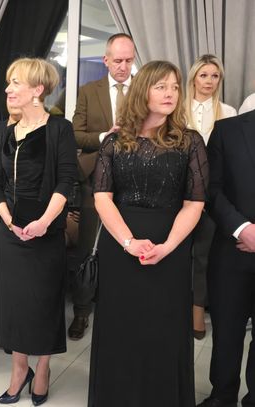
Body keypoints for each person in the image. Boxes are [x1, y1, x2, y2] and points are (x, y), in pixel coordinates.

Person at [89, 60, 208, 407]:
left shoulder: (190, 142)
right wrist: (128, 242)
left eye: (175, 87)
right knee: (120, 327)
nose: (171, 93)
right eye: (161, 86)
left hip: (170, 248)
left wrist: (168, 246)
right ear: (143, 91)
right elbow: (102, 198)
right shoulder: (114, 142)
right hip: (120, 246)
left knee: (164, 329)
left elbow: (194, 203)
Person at [0, 58, 78, 406]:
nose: (8, 89)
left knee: (43, 304)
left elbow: (66, 181)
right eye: (9, 82)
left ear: (38, 90)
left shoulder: (59, 129)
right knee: (13, 305)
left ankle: (42, 368)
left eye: (16, 83)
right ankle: (18, 369)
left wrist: (44, 222)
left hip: (45, 233)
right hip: (10, 232)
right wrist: (7, 218)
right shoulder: (5, 131)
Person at [70, 33, 136, 340]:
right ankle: (81, 311)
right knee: (87, 246)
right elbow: (75, 134)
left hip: (134, 177)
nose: (123, 67)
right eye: (118, 60)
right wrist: (103, 136)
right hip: (94, 176)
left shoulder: (143, 90)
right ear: (105, 60)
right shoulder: (88, 91)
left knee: (126, 244)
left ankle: (119, 310)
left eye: (129, 60)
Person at [197, 111, 255, 407]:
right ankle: (222, 395)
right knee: (227, 332)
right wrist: (242, 229)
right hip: (231, 252)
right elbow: (211, 189)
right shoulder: (227, 130)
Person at [185, 54, 237, 340]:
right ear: (194, 77)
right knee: (178, 253)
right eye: (204, 75)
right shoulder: (178, 109)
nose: (209, 81)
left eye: (215, 76)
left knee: (204, 256)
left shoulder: (228, 112)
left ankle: (197, 311)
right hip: (179, 195)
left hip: (212, 197)